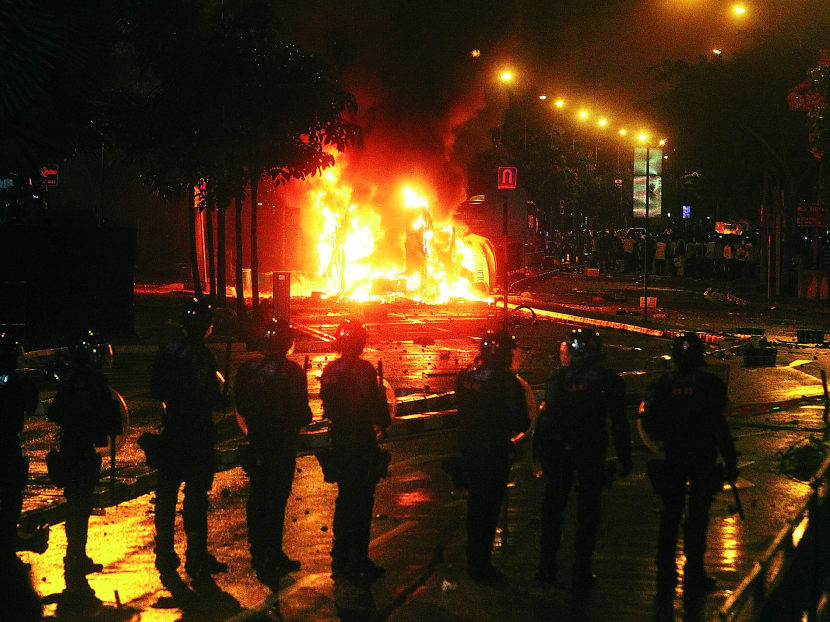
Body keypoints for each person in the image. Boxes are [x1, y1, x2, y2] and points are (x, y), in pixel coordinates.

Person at [639, 332, 737, 621]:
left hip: (673, 457)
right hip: (702, 458)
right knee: (697, 517)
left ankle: (665, 568)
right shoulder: (710, 385)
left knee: (670, 514)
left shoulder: (662, 386)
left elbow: (649, 422)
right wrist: (730, 461)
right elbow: (719, 426)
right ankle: (693, 571)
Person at [533, 328, 631, 589]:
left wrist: (538, 455)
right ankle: (581, 569)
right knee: (589, 513)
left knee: (553, 510)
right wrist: (624, 457)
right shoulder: (608, 379)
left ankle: (546, 567)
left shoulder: (557, 379)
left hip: (560, 451)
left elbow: (546, 420)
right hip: (592, 450)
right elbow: (619, 421)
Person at [150, 297, 227, 592]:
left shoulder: (167, 351)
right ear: (206, 326)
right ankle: (195, 556)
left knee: (167, 493)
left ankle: (165, 553)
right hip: (196, 432)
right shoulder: (202, 357)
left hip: (172, 430)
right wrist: (219, 399)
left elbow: (156, 388)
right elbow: (209, 395)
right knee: (195, 495)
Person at [47, 330, 121, 610]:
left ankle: (75, 555)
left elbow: (54, 412)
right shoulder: (95, 381)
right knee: (81, 506)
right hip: (83, 450)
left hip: (70, 448)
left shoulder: (71, 382)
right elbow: (109, 418)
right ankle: (76, 556)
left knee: (74, 505)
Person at [234, 318, 312, 584]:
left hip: (257, 441)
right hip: (281, 444)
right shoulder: (292, 372)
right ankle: (273, 552)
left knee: (258, 497)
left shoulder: (247, 369)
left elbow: (240, 405)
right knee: (276, 499)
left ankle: (258, 551)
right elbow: (303, 413)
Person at [455, 329, 530, 582]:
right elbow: (522, 420)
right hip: (494, 453)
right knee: (488, 510)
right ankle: (481, 564)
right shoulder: (507, 383)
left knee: (475, 506)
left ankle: (472, 559)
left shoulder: (466, 376)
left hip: (469, 450)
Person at [320, 319, 390, 583]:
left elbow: (327, 405)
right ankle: (358, 558)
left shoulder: (329, 370)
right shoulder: (364, 369)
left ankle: (340, 553)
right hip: (360, 441)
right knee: (361, 502)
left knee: (345, 497)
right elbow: (374, 405)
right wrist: (383, 422)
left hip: (338, 440)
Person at [0, 333, 39, 558]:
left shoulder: (15, 381)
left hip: (7, 440)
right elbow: (31, 405)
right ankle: (7, 535)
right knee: (12, 493)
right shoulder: (16, 382)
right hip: (8, 442)